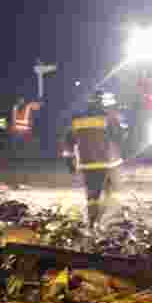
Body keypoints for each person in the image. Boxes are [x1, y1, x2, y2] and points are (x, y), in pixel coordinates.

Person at [65, 90, 124, 229]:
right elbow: (118, 136)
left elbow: (69, 140)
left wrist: (69, 160)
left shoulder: (77, 119)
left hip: (86, 164)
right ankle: (101, 220)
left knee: (92, 194)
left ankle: (92, 222)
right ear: (102, 103)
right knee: (107, 191)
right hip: (105, 163)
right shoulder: (108, 118)